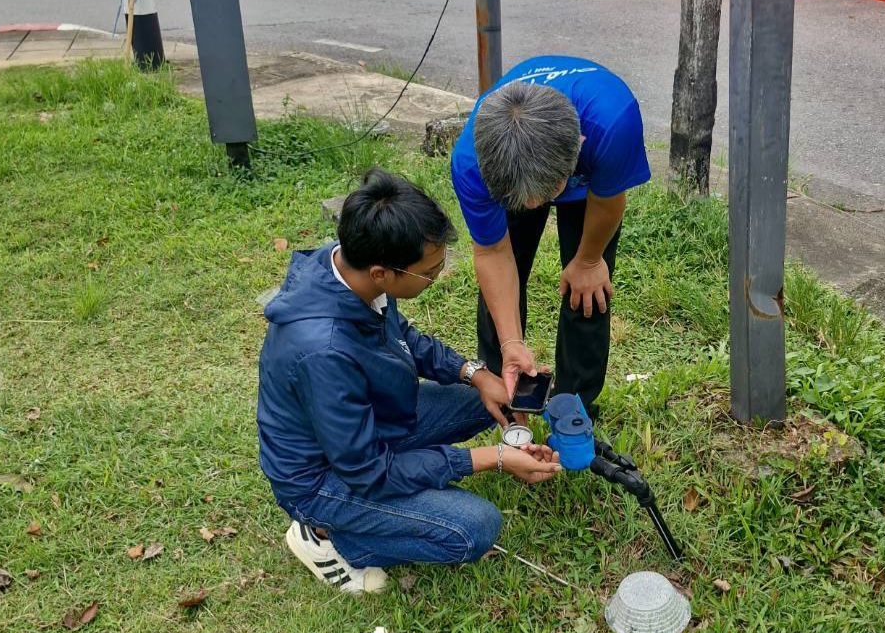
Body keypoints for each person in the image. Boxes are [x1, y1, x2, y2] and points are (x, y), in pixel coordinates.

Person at [256, 169, 561, 594]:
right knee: (475, 528)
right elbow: (369, 471)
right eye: (430, 271)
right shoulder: (322, 351)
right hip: (324, 478)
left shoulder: (350, 266)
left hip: (365, 427)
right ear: (382, 273)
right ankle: (327, 536)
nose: (438, 276)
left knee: (490, 396)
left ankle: (402, 493)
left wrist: (475, 374)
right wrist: (491, 457)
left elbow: (405, 339)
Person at [450, 55, 651, 420]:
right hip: (515, 168)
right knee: (503, 286)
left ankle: (575, 404)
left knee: (589, 288)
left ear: (579, 144)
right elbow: (493, 252)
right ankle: (504, 389)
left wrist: (589, 259)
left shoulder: (611, 123)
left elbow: (608, 199)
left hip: (584, 171)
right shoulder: (472, 161)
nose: (532, 205)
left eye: (544, 194)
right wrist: (511, 342)